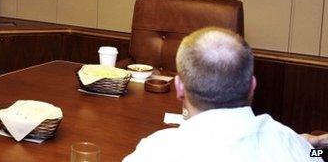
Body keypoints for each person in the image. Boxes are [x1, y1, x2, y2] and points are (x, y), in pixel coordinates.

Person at [124, 27, 319, 162]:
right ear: (252, 86)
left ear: (179, 87)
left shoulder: (155, 152)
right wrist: (304, 143)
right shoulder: (296, 147)